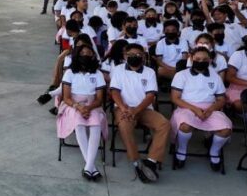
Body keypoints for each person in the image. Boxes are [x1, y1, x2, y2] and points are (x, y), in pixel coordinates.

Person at [109, 42, 170, 183]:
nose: (134, 57)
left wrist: (136, 110)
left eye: (138, 55)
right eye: (130, 55)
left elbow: (150, 96)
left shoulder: (149, 72)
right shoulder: (118, 70)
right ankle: (136, 162)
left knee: (164, 125)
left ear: (143, 56)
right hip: (123, 109)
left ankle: (151, 161)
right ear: (125, 56)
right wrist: (125, 108)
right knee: (125, 127)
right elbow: (114, 92)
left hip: (143, 109)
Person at [170, 46, 232, 171]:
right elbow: (175, 98)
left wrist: (210, 110)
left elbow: (221, 100)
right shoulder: (181, 75)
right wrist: (195, 110)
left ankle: (214, 152)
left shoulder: (215, 77)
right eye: (197, 58)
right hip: (186, 107)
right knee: (185, 126)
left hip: (210, 108)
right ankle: (182, 151)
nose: (201, 61)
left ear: (209, 60)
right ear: (192, 59)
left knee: (226, 129)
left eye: (204, 59)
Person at [56, 44, 107, 181]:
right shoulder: (70, 73)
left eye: (88, 53)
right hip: (72, 104)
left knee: (95, 124)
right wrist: (79, 107)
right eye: (82, 53)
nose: (85, 55)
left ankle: (88, 167)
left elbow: (100, 98)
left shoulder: (97, 73)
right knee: (79, 124)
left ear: (92, 55)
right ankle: (92, 167)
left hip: (93, 104)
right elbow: (66, 97)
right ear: (77, 56)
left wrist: (88, 108)